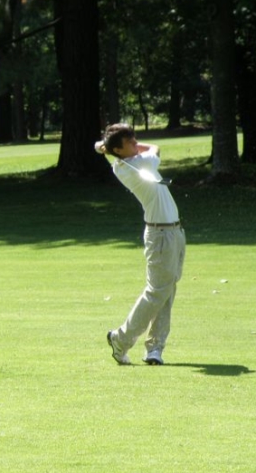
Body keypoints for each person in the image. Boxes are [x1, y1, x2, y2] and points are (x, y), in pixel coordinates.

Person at [95, 123, 186, 366]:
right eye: (131, 143)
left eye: (136, 140)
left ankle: (155, 348)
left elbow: (130, 148)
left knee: (166, 291)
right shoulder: (138, 163)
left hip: (174, 231)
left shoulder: (124, 161)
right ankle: (120, 339)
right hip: (160, 235)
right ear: (119, 150)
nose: (137, 144)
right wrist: (113, 148)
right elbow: (156, 147)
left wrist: (108, 148)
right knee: (157, 292)